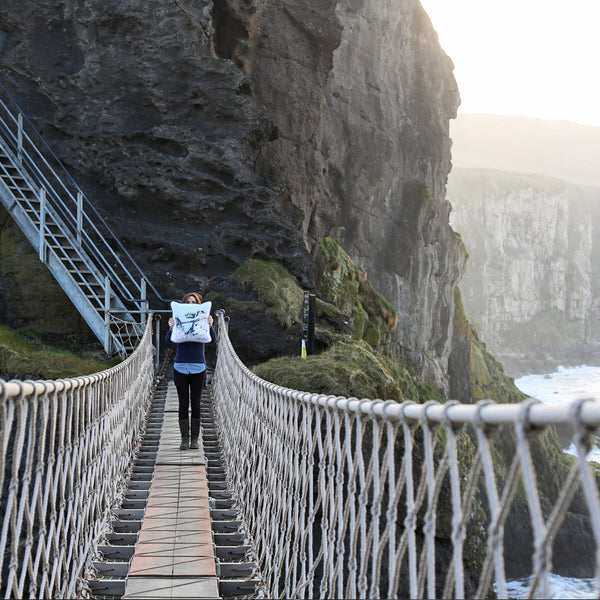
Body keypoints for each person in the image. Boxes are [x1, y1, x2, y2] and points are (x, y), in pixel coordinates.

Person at [166, 292, 217, 450]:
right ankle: (184, 439)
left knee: (195, 403)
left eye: (194, 302)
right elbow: (168, 341)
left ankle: (194, 439)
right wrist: (171, 327)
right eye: (188, 302)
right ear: (183, 304)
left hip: (198, 367)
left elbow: (213, 340)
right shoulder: (179, 321)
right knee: (183, 403)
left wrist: (210, 325)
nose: (191, 304)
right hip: (180, 367)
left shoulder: (202, 323)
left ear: (199, 304)